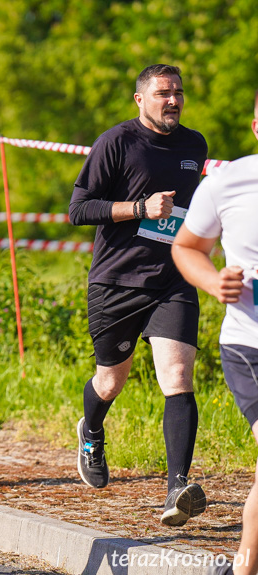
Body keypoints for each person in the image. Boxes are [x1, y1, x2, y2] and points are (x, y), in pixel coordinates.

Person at [68, 64, 209, 526]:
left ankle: (177, 488)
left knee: (178, 376)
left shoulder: (195, 145)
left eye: (179, 93)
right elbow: (79, 209)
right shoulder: (116, 142)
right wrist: (139, 209)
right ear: (140, 99)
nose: (173, 100)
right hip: (117, 280)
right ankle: (91, 429)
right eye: (163, 93)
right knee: (110, 380)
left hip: (173, 279)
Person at [172, 91, 258, 575]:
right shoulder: (229, 181)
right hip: (251, 344)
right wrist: (212, 280)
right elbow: (187, 247)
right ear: (255, 128)